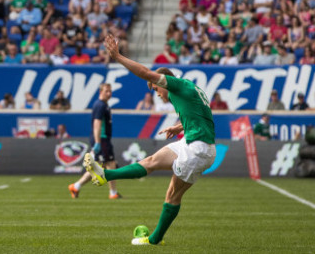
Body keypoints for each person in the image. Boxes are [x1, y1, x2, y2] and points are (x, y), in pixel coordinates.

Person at [82, 34, 216, 246]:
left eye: (155, 89)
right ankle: (104, 174)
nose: (157, 94)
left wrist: (118, 56)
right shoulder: (189, 90)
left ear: (164, 82)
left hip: (198, 149)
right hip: (190, 142)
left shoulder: (176, 86)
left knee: (172, 195)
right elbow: (204, 117)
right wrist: (179, 126)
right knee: (152, 161)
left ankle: (154, 239)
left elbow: (145, 72)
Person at [68, 84, 121, 200]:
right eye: (107, 91)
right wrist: (97, 142)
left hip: (102, 139)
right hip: (101, 139)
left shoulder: (103, 105)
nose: (109, 93)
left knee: (97, 167)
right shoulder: (100, 105)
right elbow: (97, 123)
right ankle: (113, 193)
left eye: (110, 91)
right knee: (110, 164)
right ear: (100, 92)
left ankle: (76, 186)